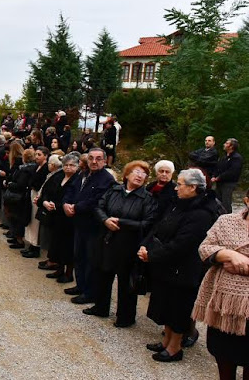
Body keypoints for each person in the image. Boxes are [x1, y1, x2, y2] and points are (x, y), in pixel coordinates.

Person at [138, 169, 219, 362]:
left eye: (180, 184)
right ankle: (166, 340)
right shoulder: (179, 204)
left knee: (178, 308)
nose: (176, 188)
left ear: (193, 187)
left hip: (183, 269)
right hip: (166, 264)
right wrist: (146, 245)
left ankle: (175, 347)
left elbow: (183, 244)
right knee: (165, 303)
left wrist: (152, 255)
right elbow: (160, 226)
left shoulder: (202, 213)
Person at [84, 161, 157, 328]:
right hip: (108, 240)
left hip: (129, 245)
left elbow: (148, 223)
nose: (139, 175)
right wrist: (105, 220)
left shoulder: (147, 198)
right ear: (127, 175)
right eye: (136, 171)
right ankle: (101, 307)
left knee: (126, 282)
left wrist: (122, 222)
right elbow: (99, 206)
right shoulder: (114, 190)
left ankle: (125, 317)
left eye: (143, 173)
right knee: (103, 274)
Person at [192, 188, 249, 379]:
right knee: (223, 355)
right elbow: (205, 248)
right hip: (222, 305)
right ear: (247, 201)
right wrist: (228, 254)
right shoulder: (226, 221)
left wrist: (244, 265)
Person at [62, 148, 115, 304]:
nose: (94, 161)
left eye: (98, 159)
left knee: (91, 260)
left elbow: (97, 200)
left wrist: (75, 207)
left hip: (93, 226)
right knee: (79, 256)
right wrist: (66, 203)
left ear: (104, 161)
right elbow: (71, 189)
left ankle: (89, 292)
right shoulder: (83, 174)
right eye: (91, 158)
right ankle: (81, 285)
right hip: (78, 223)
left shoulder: (107, 179)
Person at [36, 153, 79, 282]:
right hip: (55, 216)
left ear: (77, 167)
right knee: (57, 243)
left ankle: (68, 273)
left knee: (68, 246)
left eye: (72, 165)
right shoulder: (58, 176)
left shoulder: (78, 180)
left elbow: (75, 199)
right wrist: (45, 202)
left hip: (68, 218)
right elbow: (46, 191)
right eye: (66, 165)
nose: (68, 167)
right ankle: (59, 269)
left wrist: (58, 206)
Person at [212, 138, 243, 214]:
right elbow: (218, 167)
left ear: (231, 146)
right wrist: (214, 176)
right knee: (217, 201)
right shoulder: (224, 157)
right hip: (219, 183)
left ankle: (228, 219)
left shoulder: (237, 158)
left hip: (229, 183)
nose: (224, 144)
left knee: (226, 203)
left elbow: (232, 172)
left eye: (226, 143)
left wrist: (219, 177)